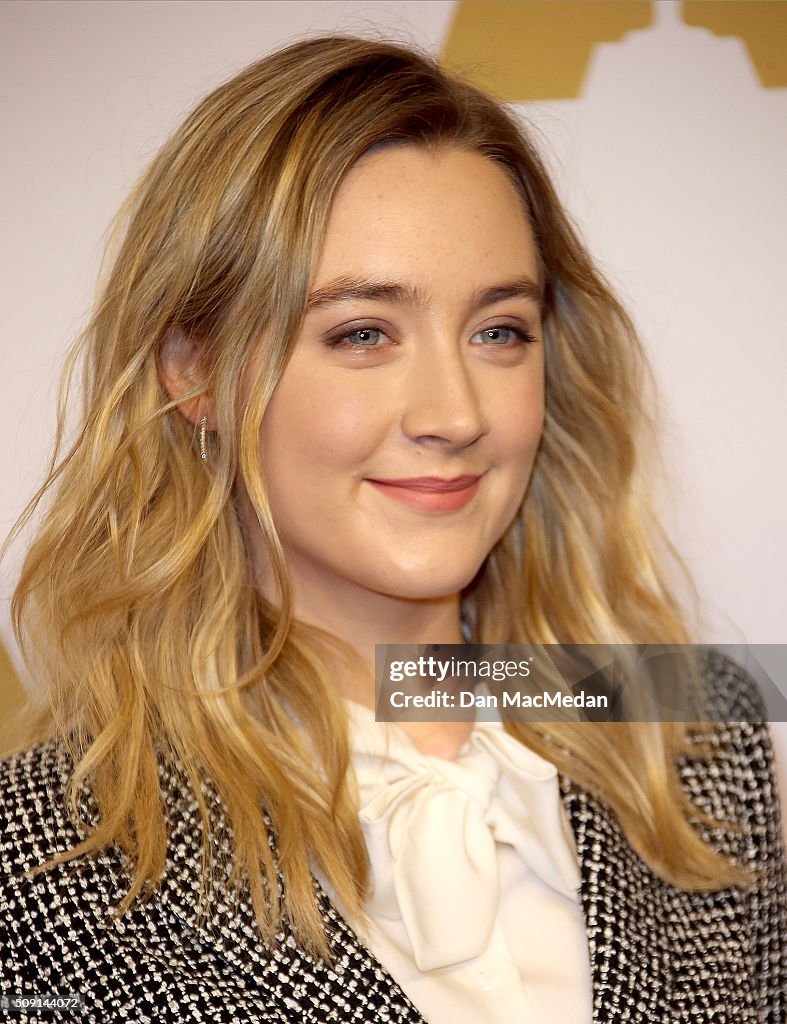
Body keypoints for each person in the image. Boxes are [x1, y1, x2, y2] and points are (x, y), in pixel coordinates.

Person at [0, 35, 784, 1024]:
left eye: (498, 330)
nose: (454, 413)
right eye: (362, 333)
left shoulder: (694, 737)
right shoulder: (35, 864)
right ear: (194, 370)